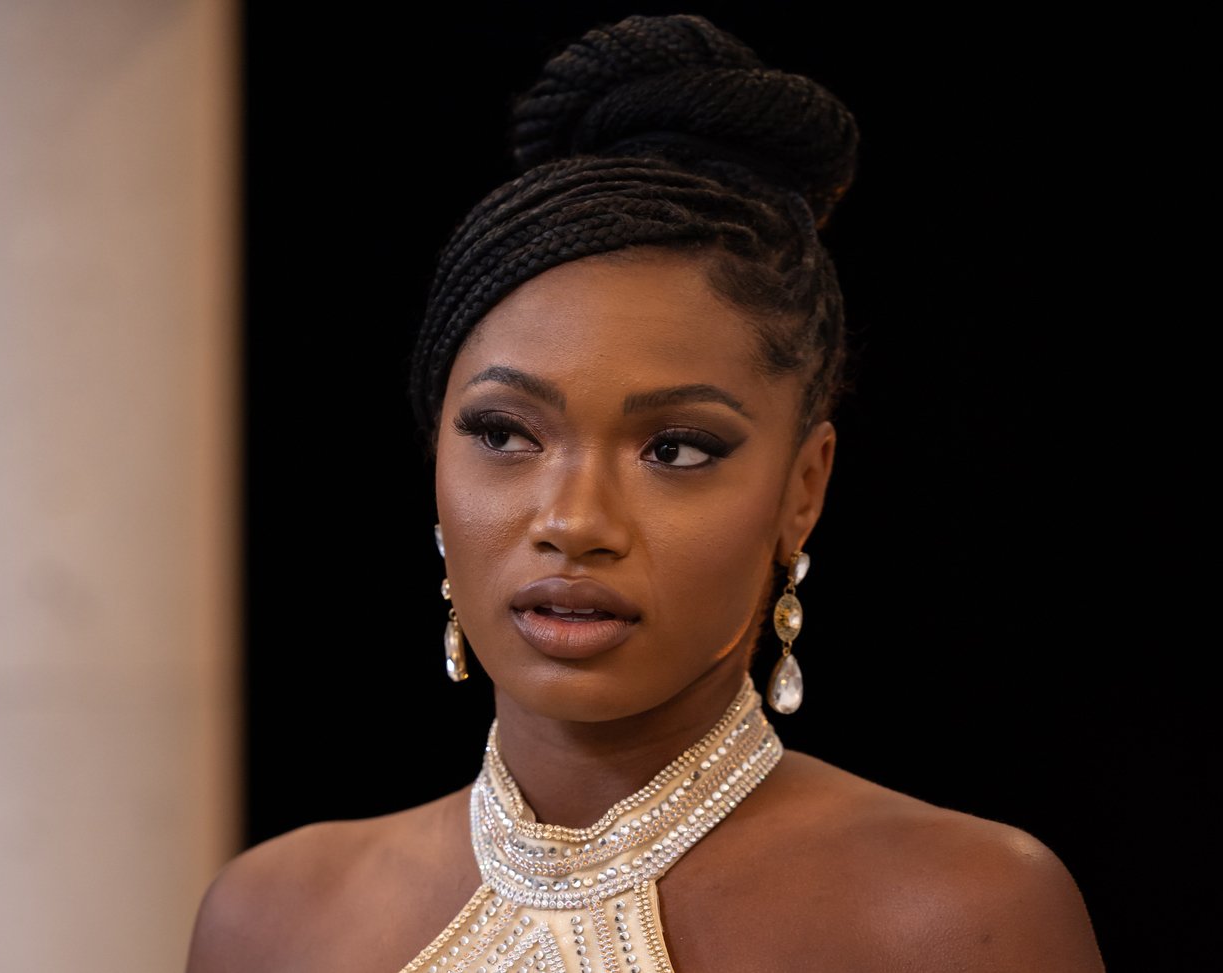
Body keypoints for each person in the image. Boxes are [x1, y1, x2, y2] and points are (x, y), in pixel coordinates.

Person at [187, 14, 1105, 972]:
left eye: (675, 448)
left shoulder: (956, 919)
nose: (574, 521)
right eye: (504, 434)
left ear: (804, 487)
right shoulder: (271, 920)